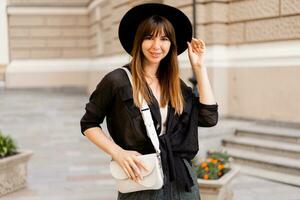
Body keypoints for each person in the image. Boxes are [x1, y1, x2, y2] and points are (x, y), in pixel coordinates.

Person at [80, 3, 218, 200]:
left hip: (182, 184)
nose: (156, 46)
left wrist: (200, 67)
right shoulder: (118, 81)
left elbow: (209, 117)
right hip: (141, 181)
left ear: (171, 44)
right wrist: (118, 153)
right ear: (139, 41)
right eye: (149, 37)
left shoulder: (175, 84)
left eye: (164, 39)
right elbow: (88, 123)